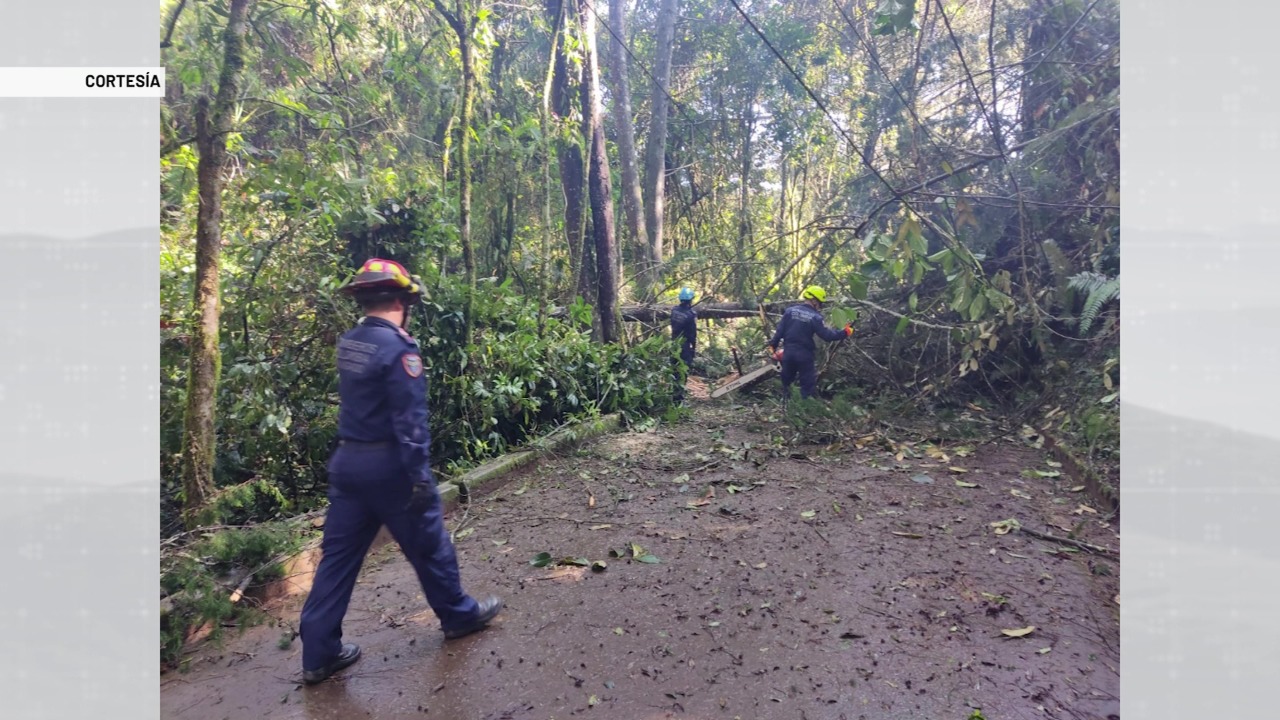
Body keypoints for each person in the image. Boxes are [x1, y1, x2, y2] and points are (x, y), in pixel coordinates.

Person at [299, 258, 503, 686]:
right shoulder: (400, 349)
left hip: (348, 465)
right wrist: (418, 478)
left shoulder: (349, 343)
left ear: (364, 298)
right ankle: (459, 616)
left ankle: (318, 654)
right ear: (402, 300)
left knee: (336, 561)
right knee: (429, 545)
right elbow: (409, 423)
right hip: (391, 467)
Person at [766, 285, 852, 400]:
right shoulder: (816, 317)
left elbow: (779, 332)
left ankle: (787, 410)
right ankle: (805, 409)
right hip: (804, 356)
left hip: (788, 354)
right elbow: (827, 335)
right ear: (814, 301)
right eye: (820, 303)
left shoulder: (790, 311)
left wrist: (773, 346)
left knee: (787, 385)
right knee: (807, 386)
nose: (820, 306)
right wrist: (845, 332)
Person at [670, 287, 698, 404]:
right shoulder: (691, 314)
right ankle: (679, 397)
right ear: (691, 300)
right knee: (683, 370)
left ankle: (674, 395)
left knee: (674, 369)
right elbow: (692, 333)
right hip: (685, 346)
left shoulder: (674, 310)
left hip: (673, 344)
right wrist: (694, 347)